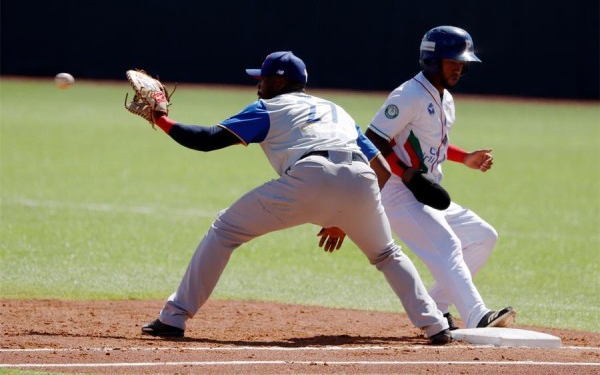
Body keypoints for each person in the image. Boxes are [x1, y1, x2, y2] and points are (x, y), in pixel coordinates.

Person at [140, 51, 453, 344]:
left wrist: (160, 119)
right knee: (387, 254)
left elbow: (207, 140)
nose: (258, 85)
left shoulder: (269, 108)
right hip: (362, 179)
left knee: (225, 230)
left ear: (278, 83)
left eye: (262, 79)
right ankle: (435, 324)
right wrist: (347, 219)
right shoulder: (338, 111)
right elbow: (382, 170)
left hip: (311, 175)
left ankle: (174, 317)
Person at [361, 26, 516, 330]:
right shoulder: (409, 95)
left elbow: (435, 146)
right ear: (432, 60)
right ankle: (477, 315)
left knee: (483, 236)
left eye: (462, 62)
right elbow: (371, 139)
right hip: (396, 192)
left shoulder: (445, 99)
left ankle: (434, 307)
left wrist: (465, 157)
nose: (458, 67)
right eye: (452, 61)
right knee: (447, 245)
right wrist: (404, 172)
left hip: (424, 192)